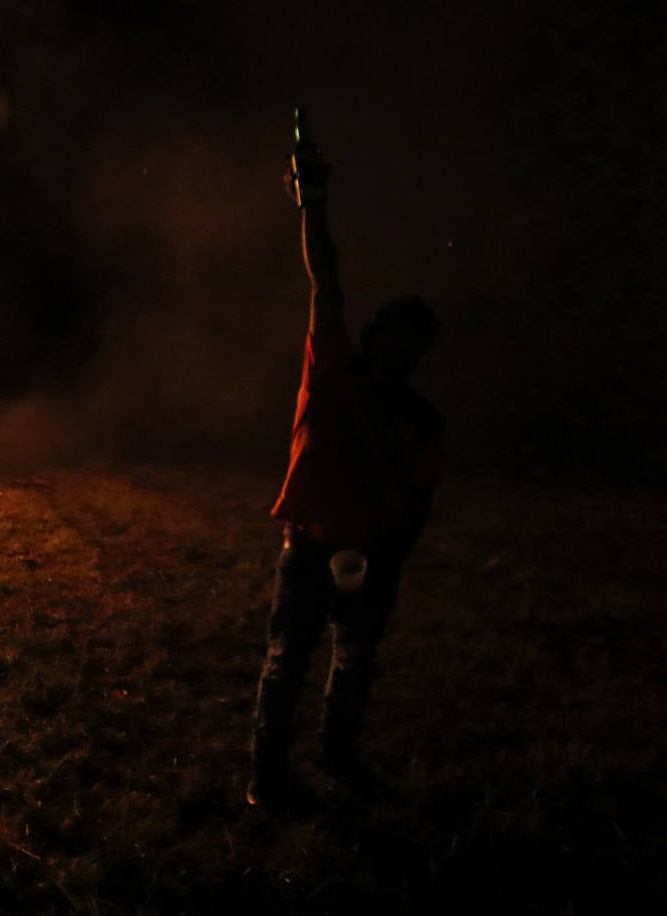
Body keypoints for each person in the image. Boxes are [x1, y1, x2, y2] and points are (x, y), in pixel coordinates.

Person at [247, 121, 444, 809]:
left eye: (417, 345)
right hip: (308, 548)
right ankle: (267, 780)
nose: (404, 352)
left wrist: (393, 555)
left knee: (356, 664)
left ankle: (337, 758)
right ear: (374, 336)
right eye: (397, 338)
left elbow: (418, 496)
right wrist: (314, 204)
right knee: (288, 664)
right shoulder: (334, 373)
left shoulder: (422, 420)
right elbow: (325, 282)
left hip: (372, 559)